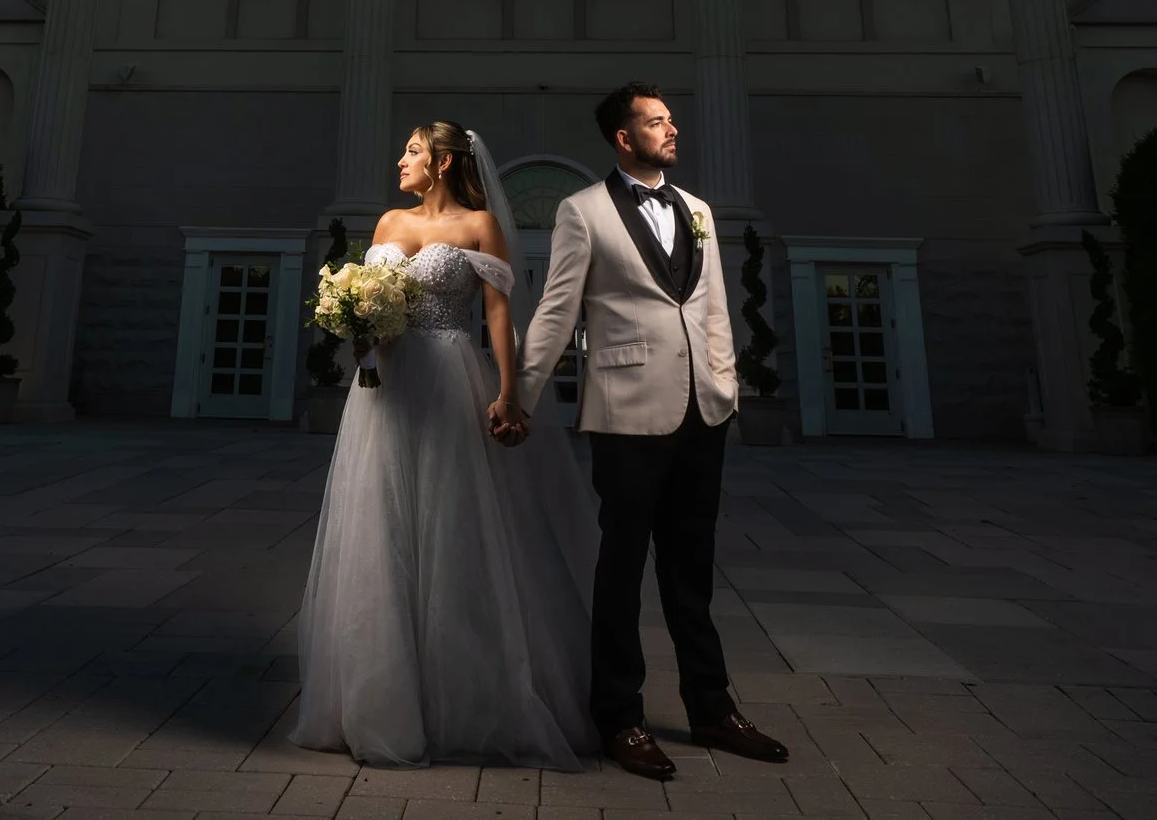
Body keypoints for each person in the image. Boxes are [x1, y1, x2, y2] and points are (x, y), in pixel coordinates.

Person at [290, 121, 601, 769]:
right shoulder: (385, 223)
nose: (400, 159)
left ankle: (467, 700)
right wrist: (359, 329)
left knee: (454, 530)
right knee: (383, 531)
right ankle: (380, 699)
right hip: (384, 390)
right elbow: (369, 306)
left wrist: (511, 392)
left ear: (445, 160)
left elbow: (497, 316)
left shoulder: (479, 225)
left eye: (411, 150)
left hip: (451, 378)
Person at [509, 83, 790, 781]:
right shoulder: (583, 210)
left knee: (692, 568)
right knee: (623, 567)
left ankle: (712, 707)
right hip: (627, 409)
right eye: (656, 121)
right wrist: (521, 393)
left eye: (671, 118)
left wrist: (726, 385)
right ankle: (620, 716)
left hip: (703, 409)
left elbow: (714, 304)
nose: (672, 128)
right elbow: (555, 311)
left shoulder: (696, 210)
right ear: (622, 137)